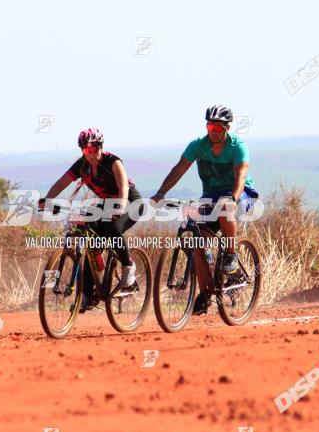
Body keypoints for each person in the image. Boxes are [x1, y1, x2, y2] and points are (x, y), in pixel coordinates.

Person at [151, 104, 259, 315]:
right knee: (196, 238)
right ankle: (205, 292)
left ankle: (230, 255)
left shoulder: (237, 147)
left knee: (225, 207)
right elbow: (179, 169)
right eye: (210, 127)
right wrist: (160, 193)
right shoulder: (198, 146)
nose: (213, 132)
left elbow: (240, 176)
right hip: (210, 195)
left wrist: (234, 198)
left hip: (241, 192)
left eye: (218, 128)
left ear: (227, 128)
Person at [38, 128, 144, 310]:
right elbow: (62, 182)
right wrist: (47, 200)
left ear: (100, 147)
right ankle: (88, 295)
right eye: (86, 151)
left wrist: (120, 205)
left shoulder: (113, 161)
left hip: (130, 202)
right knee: (92, 241)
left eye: (94, 150)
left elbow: (123, 185)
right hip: (106, 205)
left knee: (113, 230)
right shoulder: (82, 165)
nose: (91, 155)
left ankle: (128, 267)